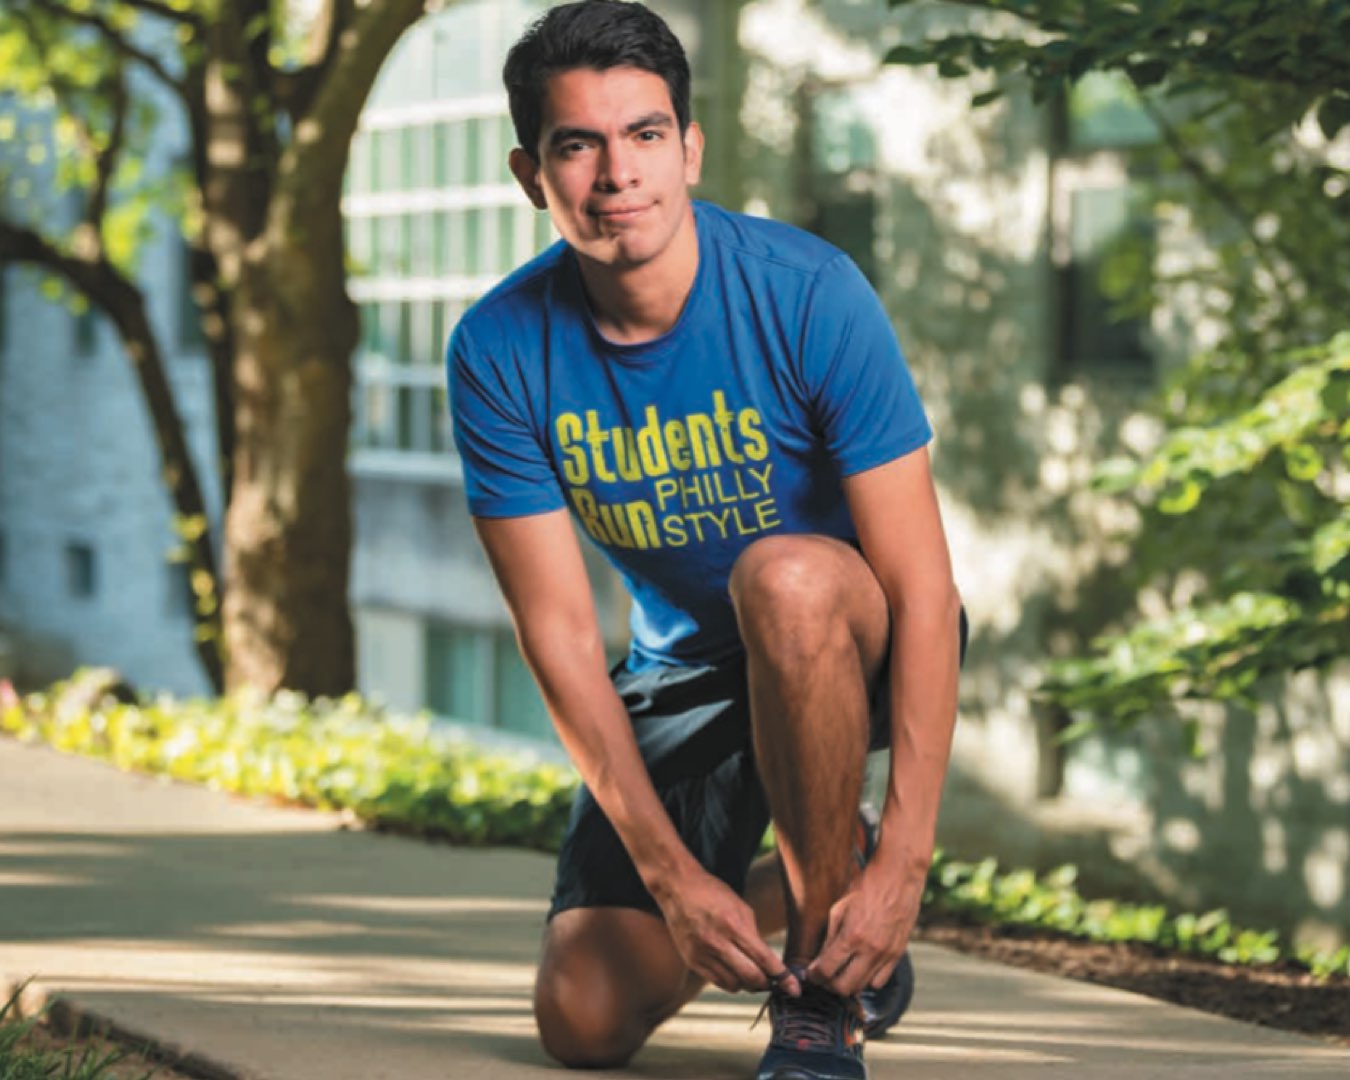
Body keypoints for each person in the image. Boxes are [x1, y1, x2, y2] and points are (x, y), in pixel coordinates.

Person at [447, 3, 964, 1077]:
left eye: (643, 135)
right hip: (683, 678)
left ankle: (823, 996)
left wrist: (908, 861)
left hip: (845, 632)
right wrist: (674, 877)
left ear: (689, 147)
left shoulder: (807, 294)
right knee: (583, 1021)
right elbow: (557, 635)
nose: (615, 173)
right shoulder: (499, 348)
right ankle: (821, 855)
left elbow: (921, 588)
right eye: (576, 144)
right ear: (529, 172)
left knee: (780, 576)